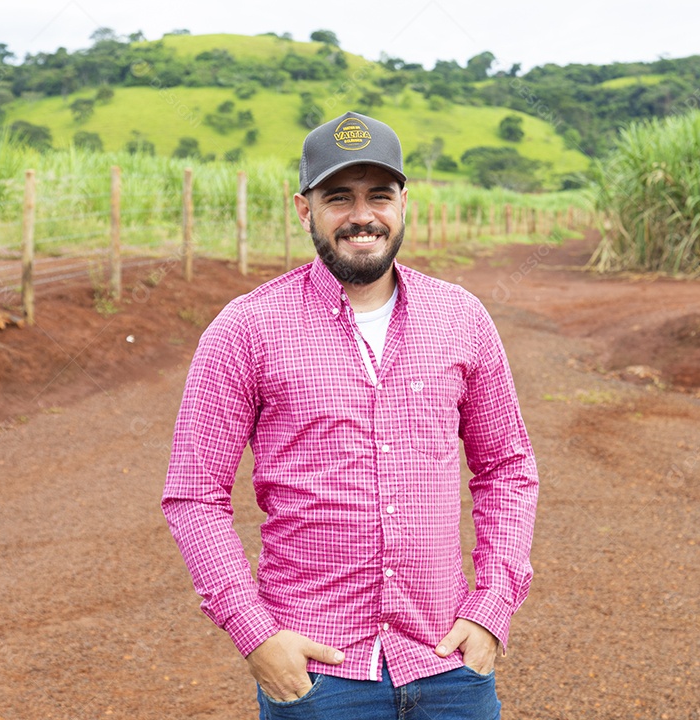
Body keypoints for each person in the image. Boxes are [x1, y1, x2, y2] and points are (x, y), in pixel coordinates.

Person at [161, 110, 539, 719]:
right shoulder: (245, 329)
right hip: (318, 674)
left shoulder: (461, 319)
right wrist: (255, 634)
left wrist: (492, 609)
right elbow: (194, 495)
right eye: (339, 197)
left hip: (448, 665)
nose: (362, 215)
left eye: (379, 195)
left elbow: (507, 469)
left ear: (403, 203)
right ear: (304, 208)